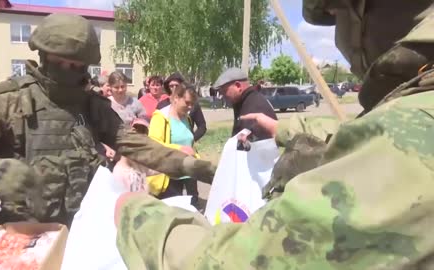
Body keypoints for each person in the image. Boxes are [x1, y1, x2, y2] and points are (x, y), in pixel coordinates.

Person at [115, 1, 434, 269]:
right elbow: (346, 136)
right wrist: (284, 131)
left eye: (336, 15)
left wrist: (136, 216)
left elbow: (234, 261)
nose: (338, 37)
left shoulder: (409, 130)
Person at [0, 13, 216, 231]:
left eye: (78, 65)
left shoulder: (89, 103)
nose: (71, 71)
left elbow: (133, 143)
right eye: (63, 63)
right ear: (45, 56)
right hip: (26, 232)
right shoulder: (6, 101)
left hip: (84, 225)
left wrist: (185, 164)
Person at [148, 83, 201, 209]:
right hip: (169, 176)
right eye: (187, 102)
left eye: (192, 104)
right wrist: (180, 149)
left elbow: (189, 144)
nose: (190, 107)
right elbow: (154, 144)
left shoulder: (186, 118)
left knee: (191, 210)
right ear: (176, 97)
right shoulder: (161, 117)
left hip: (188, 173)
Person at [213, 67, 277, 141]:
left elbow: (257, 144)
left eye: (224, 91)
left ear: (238, 86)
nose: (223, 96)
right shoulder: (241, 101)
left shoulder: (255, 105)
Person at [158, 72, 207, 142]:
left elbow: (202, 126)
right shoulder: (161, 106)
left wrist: (192, 139)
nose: (174, 88)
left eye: (176, 85)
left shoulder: (193, 105)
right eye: (171, 86)